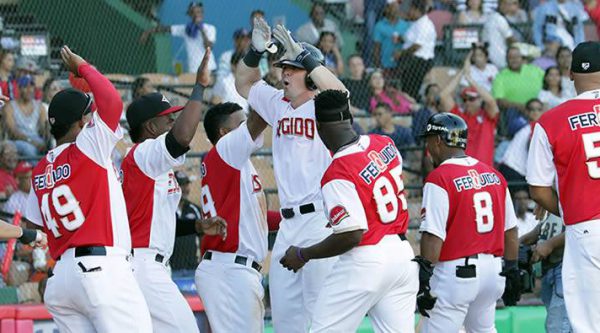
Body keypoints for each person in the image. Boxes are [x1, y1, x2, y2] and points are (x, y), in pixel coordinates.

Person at [23, 46, 153, 332]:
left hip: (62, 279)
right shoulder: (88, 147)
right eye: (89, 116)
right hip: (100, 271)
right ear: (82, 122)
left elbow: (32, 224)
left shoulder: (40, 168)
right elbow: (112, 102)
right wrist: (84, 67)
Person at [235, 18, 347, 332]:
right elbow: (243, 84)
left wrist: (308, 60)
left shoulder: (325, 107)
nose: (284, 72)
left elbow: (342, 94)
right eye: (284, 67)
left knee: (320, 317)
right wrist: (255, 52)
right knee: (285, 318)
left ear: (311, 76)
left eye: (292, 68)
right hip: (288, 226)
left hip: (319, 219)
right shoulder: (277, 103)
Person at [280, 89, 418, 331]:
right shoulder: (385, 142)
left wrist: (303, 254)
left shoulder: (337, 171)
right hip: (402, 255)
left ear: (319, 128)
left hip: (366, 259)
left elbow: (351, 235)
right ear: (350, 119)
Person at [122, 50, 223, 333]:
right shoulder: (143, 153)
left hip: (148, 263)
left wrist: (196, 226)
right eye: (167, 119)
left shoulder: (152, 162)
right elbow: (182, 137)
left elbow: (157, 220)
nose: (172, 123)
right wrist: (200, 86)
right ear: (150, 126)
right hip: (143, 265)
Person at [417, 112, 520, 331]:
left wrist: (423, 281)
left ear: (437, 141)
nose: (428, 148)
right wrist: (512, 268)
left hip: (456, 273)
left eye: (428, 141)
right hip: (493, 271)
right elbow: (511, 231)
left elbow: (433, 236)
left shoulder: (439, 177)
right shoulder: (494, 175)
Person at [527, 41, 600, 332]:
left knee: (589, 321)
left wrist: (570, 208)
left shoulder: (551, 120)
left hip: (585, 229)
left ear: (569, 74)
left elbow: (537, 189)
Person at [196, 102, 268, 332]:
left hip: (232, 267)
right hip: (230, 267)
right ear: (224, 134)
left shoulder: (236, 162)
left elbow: (253, 214)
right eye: (241, 123)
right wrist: (269, 94)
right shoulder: (226, 151)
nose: (247, 126)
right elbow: (259, 120)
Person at [440, 57, 499, 166]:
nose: (467, 102)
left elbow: (491, 101)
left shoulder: (487, 116)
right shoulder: (458, 116)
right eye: (464, 99)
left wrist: (470, 79)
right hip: (461, 170)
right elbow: (444, 96)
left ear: (480, 99)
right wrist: (462, 72)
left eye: (471, 99)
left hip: (483, 170)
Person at [520, 212, 571, 332]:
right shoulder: (551, 208)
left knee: (556, 326)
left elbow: (579, 230)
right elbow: (539, 231)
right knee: (563, 325)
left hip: (565, 268)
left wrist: (550, 244)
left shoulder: (575, 201)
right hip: (548, 268)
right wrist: (515, 244)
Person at [141, 2, 217, 73]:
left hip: (209, 68)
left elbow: (208, 46)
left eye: (199, 12)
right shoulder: (186, 29)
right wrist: (148, 31)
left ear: (202, 14)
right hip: (194, 70)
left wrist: (201, 29)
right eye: (194, 12)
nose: (197, 14)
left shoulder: (210, 28)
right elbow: (166, 29)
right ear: (190, 14)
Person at [395, 0, 436, 100]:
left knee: (411, 91)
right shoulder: (416, 23)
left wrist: (401, 53)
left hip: (419, 63)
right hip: (410, 61)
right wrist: (400, 39)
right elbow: (409, 39)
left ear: (416, 10)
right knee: (405, 88)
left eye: (410, 9)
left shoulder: (425, 24)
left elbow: (417, 46)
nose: (408, 12)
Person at [498, 98, 544, 184]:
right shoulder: (531, 125)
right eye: (531, 109)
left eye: (539, 109)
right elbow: (532, 147)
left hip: (511, 168)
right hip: (515, 169)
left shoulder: (531, 126)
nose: (535, 112)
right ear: (526, 111)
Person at [3, 75, 49, 157]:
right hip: (18, 141)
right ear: (19, 89)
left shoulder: (40, 106)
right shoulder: (10, 107)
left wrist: (47, 139)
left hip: (37, 139)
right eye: (25, 87)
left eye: (31, 86)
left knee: (50, 146)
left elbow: (43, 127)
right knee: (28, 149)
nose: (29, 90)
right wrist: (30, 141)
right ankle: (37, 169)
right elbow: (13, 132)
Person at [493, 46, 545, 117]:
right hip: (517, 112)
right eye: (511, 57)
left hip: (541, 108)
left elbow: (550, 82)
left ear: (521, 58)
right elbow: (500, 101)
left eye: (517, 57)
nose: (514, 60)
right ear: (506, 60)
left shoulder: (535, 69)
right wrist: (521, 107)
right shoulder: (500, 77)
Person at [170, 170, 202, 276]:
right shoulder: (166, 210)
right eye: (181, 185)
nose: (185, 189)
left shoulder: (195, 210)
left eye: (186, 185)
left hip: (192, 267)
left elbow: (203, 237)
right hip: (171, 268)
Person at [372, 2, 410, 77]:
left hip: (403, 65)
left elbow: (410, 43)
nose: (396, 10)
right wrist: (379, 66)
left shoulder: (406, 25)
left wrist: (402, 39)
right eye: (393, 8)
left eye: (397, 8)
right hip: (386, 66)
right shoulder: (379, 26)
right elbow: (377, 47)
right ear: (387, 9)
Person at [482, 0, 518, 68]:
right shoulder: (499, 18)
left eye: (510, 5)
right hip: (499, 57)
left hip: (490, 56)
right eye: (506, 4)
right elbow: (510, 39)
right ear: (500, 4)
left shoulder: (492, 16)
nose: (508, 7)